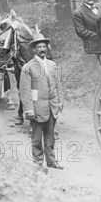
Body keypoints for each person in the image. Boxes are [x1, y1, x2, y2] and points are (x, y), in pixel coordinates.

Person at [20, 33, 63, 172]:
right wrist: (29, 110)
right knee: (37, 137)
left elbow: (58, 84)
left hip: (52, 106)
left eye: (44, 46)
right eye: (39, 47)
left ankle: (51, 161)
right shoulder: (28, 67)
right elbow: (25, 91)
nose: (42, 49)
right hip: (37, 107)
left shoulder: (52, 65)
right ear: (34, 49)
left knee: (50, 137)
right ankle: (38, 163)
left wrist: (60, 102)